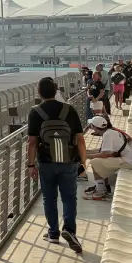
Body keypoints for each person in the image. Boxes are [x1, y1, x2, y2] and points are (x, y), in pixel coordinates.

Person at [27, 77, 86, 252]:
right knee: (69, 197)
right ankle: (69, 230)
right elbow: (80, 139)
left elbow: (31, 142)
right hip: (68, 161)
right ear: (56, 91)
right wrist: (83, 162)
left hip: (46, 162)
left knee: (49, 198)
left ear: (39, 93)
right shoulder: (69, 110)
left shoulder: (35, 112)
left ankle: (53, 233)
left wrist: (31, 165)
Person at [84, 115, 132, 200]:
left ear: (96, 127)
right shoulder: (111, 132)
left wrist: (86, 156)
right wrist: (87, 152)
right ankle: (103, 187)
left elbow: (104, 154)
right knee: (99, 160)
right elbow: (104, 151)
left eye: (92, 126)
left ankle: (100, 192)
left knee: (95, 162)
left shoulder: (108, 135)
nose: (92, 128)